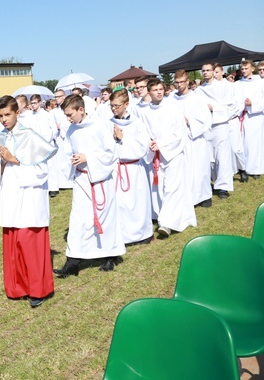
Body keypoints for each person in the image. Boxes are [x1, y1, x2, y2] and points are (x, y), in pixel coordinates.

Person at [0, 96, 56, 307]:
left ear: (17, 113)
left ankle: (37, 289)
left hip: (29, 197)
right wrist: (2, 164)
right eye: (0, 115)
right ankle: (18, 286)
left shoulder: (29, 136)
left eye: (7, 115)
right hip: (12, 195)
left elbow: (41, 170)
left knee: (30, 242)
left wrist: (14, 160)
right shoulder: (1, 136)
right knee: (15, 243)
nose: (3, 119)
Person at [54, 94, 124, 277]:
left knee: (105, 218)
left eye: (70, 114)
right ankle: (73, 261)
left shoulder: (99, 126)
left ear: (81, 109)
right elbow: (67, 152)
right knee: (78, 219)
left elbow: (111, 153)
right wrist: (73, 161)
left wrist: (88, 158)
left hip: (101, 180)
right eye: (66, 115)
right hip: (82, 179)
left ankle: (110, 255)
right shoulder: (71, 130)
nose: (68, 119)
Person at [139, 79, 196, 238]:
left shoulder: (173, 108)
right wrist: (150, 144)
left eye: (160, 89)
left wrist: (161, 144)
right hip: (156, 155)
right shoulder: (145, 113)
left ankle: (167, 224)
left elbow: (179, 133)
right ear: (149, 93)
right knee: (160, 188)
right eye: (155, 90)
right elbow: (143, 133)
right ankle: (164, 215)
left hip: (173, 153)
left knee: (172, 187)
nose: (159, 92)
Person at [109, 89, 153, 245]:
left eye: (116, 106)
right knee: (120, 204)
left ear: (126, 104)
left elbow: (142, 147)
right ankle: (123, 234)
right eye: (111, 106)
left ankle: (141, 234)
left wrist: (123, 138)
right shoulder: (108, 123)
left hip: (133, 168)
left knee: (136, 203)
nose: (113, 109)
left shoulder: (137, 122)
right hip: (116, 169)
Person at [173, 70, 213, 207]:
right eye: (177, 82)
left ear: (187, 81)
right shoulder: (172, 99)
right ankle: (189, 197)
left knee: (199, 168)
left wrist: (189, 122)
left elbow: (206, 120)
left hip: (195, 138)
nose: (179, 85)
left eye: (182, 82)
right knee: (185, 169)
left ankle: (205, 195)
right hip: (180, 140)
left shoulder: (196, 98)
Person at [196, 63, 236, 198]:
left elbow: (232, 107)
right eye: (203, 71)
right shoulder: (199, 90)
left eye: (208, 70)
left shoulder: (224, 87)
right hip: (207, 127)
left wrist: (214, 109)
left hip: (221, 125)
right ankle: (211, 182)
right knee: (209, 157)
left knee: (222, 156)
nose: (205, 73)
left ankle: (223, 187)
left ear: (214, 71)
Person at [235, 59, 264, 179]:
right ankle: (243, 168)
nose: (244, 71)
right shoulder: (238, 84)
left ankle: (256, 168)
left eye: (246, 68)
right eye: (242, 69)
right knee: (242, 143)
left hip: (255, 115)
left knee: (255, 143)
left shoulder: (260, 82)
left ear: (252, 69)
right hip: (242, 115)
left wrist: (253, 103)